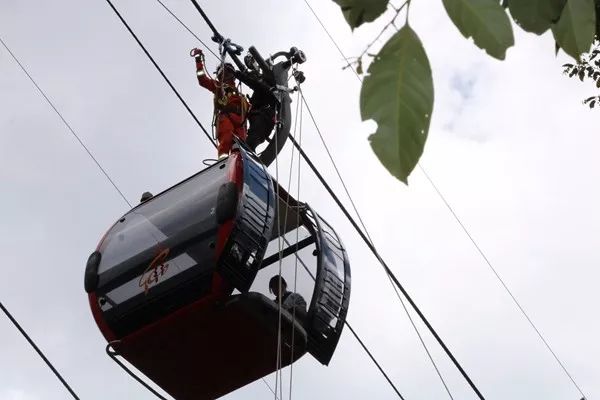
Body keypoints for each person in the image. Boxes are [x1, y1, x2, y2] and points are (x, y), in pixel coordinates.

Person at [190, 48, 249, 158]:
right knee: (226, 139)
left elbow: (252, 111)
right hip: (226, 117)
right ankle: (223, 162)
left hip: (241, 122)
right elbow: (202, 79)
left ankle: (239, 163)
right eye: (224, 71)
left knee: (241, 146)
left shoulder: (241, 96)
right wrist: (198, 60)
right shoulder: (218, 86)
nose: (227, 74)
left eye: (229, 71)